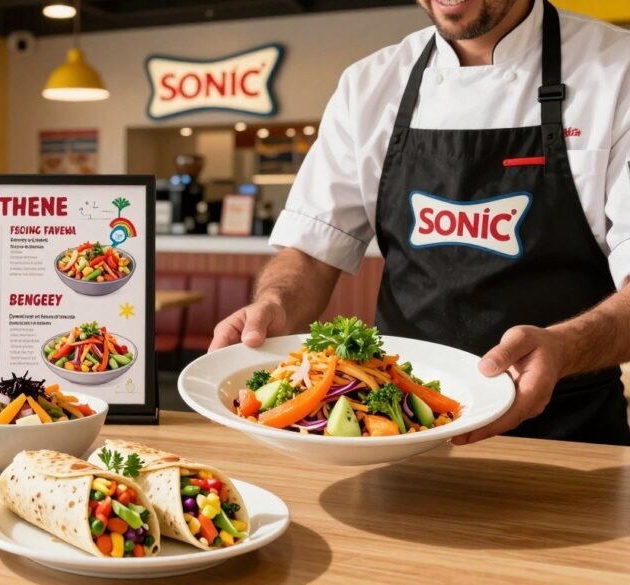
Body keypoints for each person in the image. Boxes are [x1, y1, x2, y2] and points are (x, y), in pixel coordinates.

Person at [209, 0, 630, 446]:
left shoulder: (617, 70)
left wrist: (564, 350)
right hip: (398, 428)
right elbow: (312, 254)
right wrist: (275, 304)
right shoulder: (369, 85)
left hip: (569, 437)